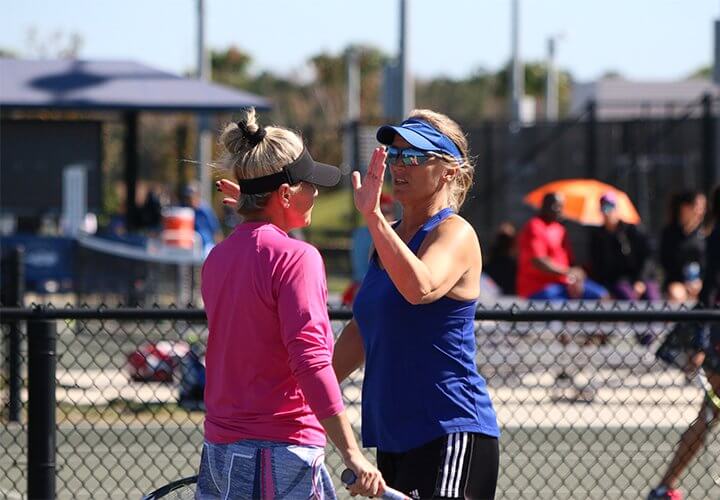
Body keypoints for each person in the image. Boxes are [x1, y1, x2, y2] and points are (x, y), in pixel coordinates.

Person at [197, 108, 384, 498]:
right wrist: (352, 454)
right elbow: (311, 361)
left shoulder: (217, 257)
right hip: (282, 453)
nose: (316, 192)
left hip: (220, 451)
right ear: (285, 195)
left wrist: (254, 207)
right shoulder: (297, 258)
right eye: (309, 184)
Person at [333, 110, 501, 499]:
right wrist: (303, 392)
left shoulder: (455, 232)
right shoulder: (386, 240)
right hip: (393, 436)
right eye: (394, 155)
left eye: (412, 156)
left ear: (448, 171)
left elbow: (419, 288)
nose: (398, 165)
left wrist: (373, 217)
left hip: (449, 429)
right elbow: (361, 330)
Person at [648, 186, 720, 500]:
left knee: (709, 413)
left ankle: (665, 485)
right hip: (718, 337)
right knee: (709, 413)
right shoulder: (714, 238)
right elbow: (709, 292)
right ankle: (665, 486)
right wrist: (701, 343)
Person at [516, 192, 608, 301]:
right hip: (539, 287)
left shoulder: (560, 229)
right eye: (555, 206)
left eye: (561, 206)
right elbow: (538, 261)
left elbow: (568, 262)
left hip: (564, 283)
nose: (559, 210)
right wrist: (569, 272)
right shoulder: (534, 226)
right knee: (562, 307)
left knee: (601, 295)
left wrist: (575, 278)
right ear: (543, 206)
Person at [588, 192, 659, 300]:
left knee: (652, 298)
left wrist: (640, 280)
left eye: (610, 207)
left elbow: (647, 257)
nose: (607, 212)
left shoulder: (632, 230)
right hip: (617, 281)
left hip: (642, 277)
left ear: (617, 209)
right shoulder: (599, 237)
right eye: (604, 208)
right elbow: (599, 267)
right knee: (627, 297)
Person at [342, 193, 396, 307]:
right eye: (382, 212)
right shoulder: (362, 234)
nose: (385, 216)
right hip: (368, 289)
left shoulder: (360, 233)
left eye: (388, 212)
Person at [659, 190, 706, 302]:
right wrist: (686, 283)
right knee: (676, 293)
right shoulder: (670, 234)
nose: (701, 211)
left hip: (703, 283)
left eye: (703, 207)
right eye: (697, 207)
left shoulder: (705, 233)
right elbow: (666, 262)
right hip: (678, 282)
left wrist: (701, 281)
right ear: (685, 208)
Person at [181, 180, 222, 256]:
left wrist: (219, 250)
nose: (189, 200)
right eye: (187, 197)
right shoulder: (184, 210)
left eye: (191, 197)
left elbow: (216, 230)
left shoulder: (205, 210)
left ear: (197, 196)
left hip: (206, 246)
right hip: (188, 247)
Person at [484, 222, 518, 296]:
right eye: (502, 237)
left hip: (511, 292)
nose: (505, 241)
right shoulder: (493, 251)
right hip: (492, 290)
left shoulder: (515, 254)